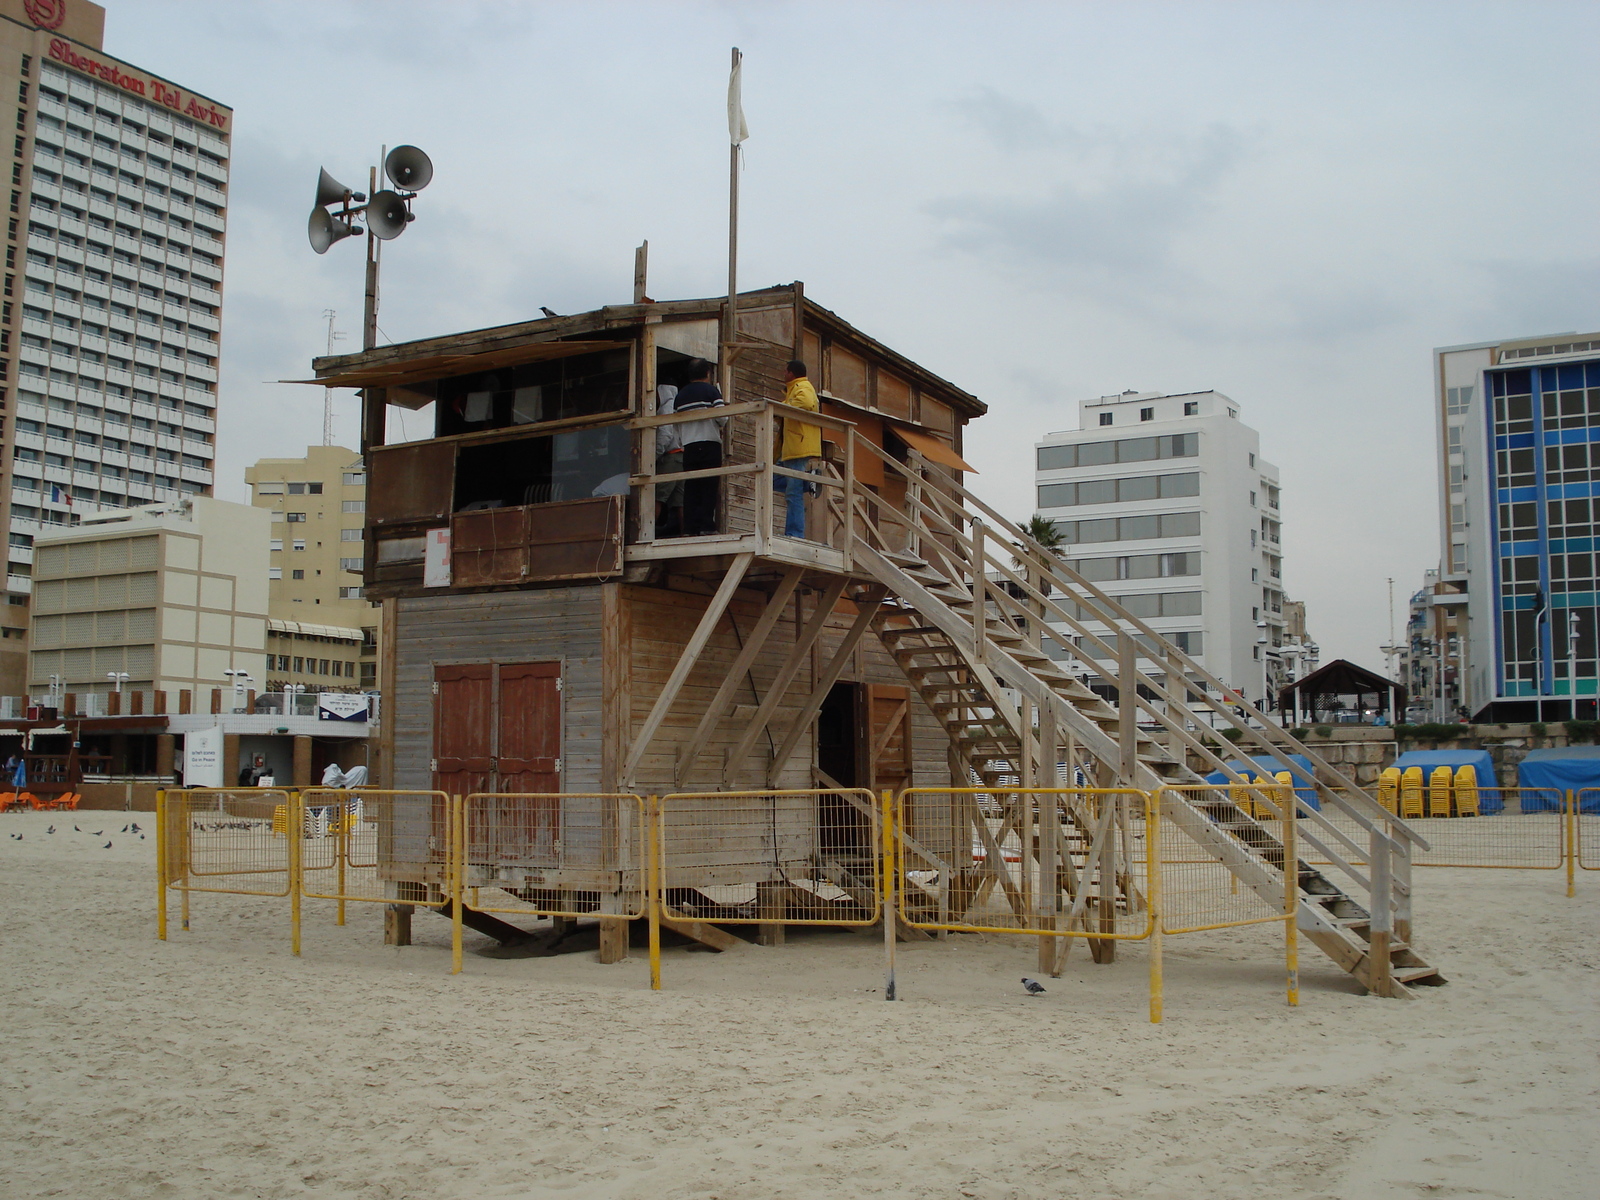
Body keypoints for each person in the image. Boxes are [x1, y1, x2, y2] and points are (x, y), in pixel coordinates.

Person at [673, 358, 727, 536]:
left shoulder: (680, 396)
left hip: (689, 445)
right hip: (709, 443)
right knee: (708, 486)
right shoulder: (712, 391)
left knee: (692, 488)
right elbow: (723, 419)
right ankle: (706, 526)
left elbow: (675, 424)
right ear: (707, 374)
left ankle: (689, 528)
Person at [777, 359, 822, 539]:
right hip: (791, 448)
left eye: (785, 371)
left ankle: (795, 534)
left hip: (799, 446)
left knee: (793, 493)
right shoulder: (795, 389)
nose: (783, 374)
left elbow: (807, 402)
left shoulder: (803, 387)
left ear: (791, 373)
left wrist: (784, 408)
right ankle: (809, 480)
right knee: (771, 478)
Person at [653, 381, 684, 538]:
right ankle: (686, 533)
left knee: (658, 496)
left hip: (671, 456)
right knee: (680, 501)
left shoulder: (666, 407)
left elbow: (665, 434)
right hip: (683, 456)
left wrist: (654, 456)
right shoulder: (679, 404)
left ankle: (646, 532)